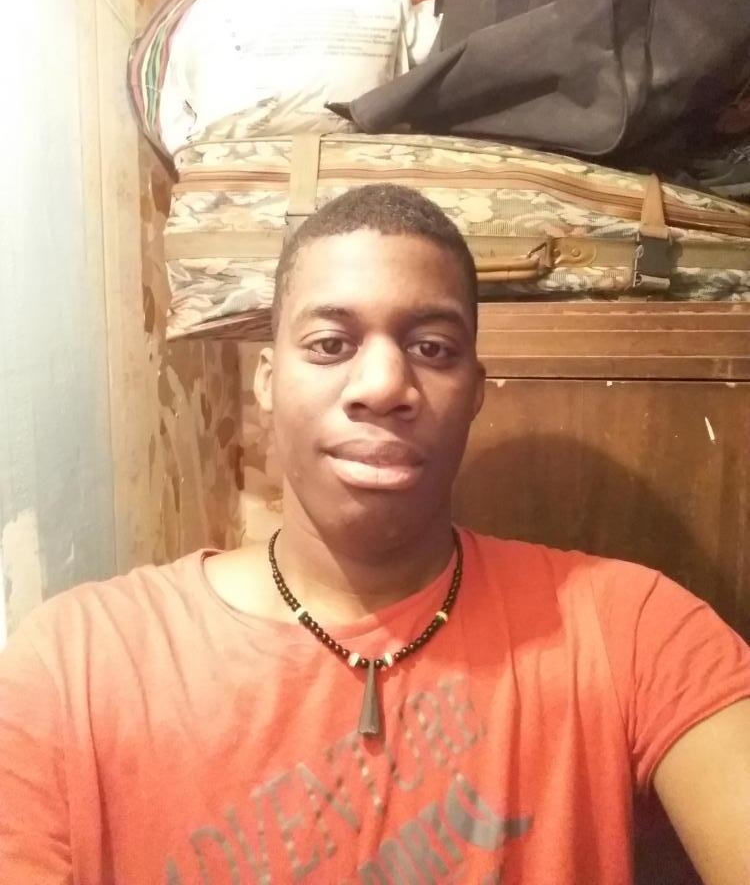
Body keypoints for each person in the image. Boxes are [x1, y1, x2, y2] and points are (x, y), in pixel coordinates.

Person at [0, 183, 749, 885]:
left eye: (433, 348)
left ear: (475, 391)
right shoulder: (75, 666)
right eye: (331, 344)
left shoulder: (630, 631)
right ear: (267, 380)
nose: (384, 386)